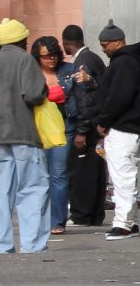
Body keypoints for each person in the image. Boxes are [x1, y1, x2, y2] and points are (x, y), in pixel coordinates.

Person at [0, 19, 51, 254]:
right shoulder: (25, 60)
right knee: (32, 189)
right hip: (24, 134)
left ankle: (3, 246)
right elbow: (32, 95)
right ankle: (32, 246)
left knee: (1, 195)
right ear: (22, 40)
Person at [94, 22, 140, 240]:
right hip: (132, 128)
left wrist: (103, 121)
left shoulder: (123, 63)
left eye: (105, 44)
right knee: (131, 178)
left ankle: (123, 224)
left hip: (121, 128)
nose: (103, 49)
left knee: (123, 178)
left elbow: (118, 97)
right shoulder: (132, 61)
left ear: (118, 42)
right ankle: (131, 221)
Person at [62, 23, 108, 227]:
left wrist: (81, 131)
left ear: (66, 44)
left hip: (86, 128)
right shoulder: (94, 58)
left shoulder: (81, 63)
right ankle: (95, 215)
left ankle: (82, 215)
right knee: (96, 172)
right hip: (97, 126)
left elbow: (84, 99)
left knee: (81, 173)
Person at [31, 36, 76, 239]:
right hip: (38, 129)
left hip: (63, 128)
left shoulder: (69, 70)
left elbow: (80, 98)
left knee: (58, 174)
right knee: (40, 176)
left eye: (54, 55)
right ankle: (38, 218)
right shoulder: (30, 72)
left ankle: (57, 220)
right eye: (46, 56)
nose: (51, 59)